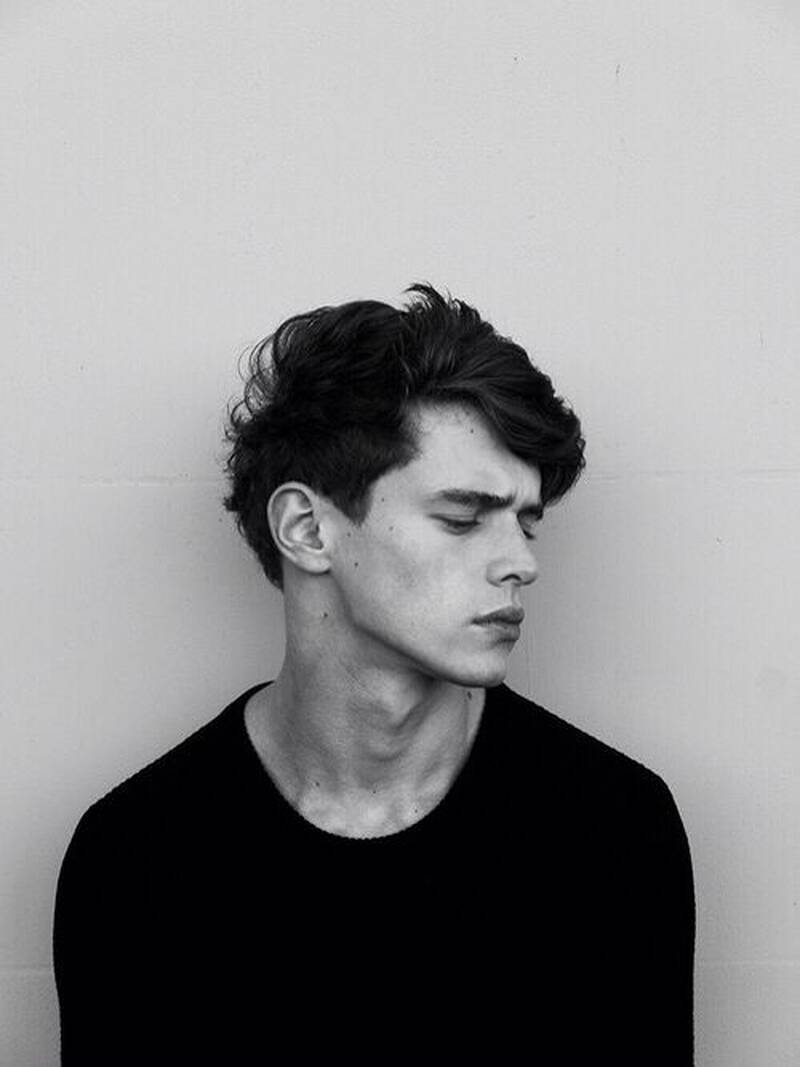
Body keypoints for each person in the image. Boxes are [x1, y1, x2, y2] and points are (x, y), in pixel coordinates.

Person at [53, 284, 695, 1063]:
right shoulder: (136, 859)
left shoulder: (613, 832)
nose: (521, 562)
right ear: (305, 528)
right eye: (462, 518)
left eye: (527, 523)